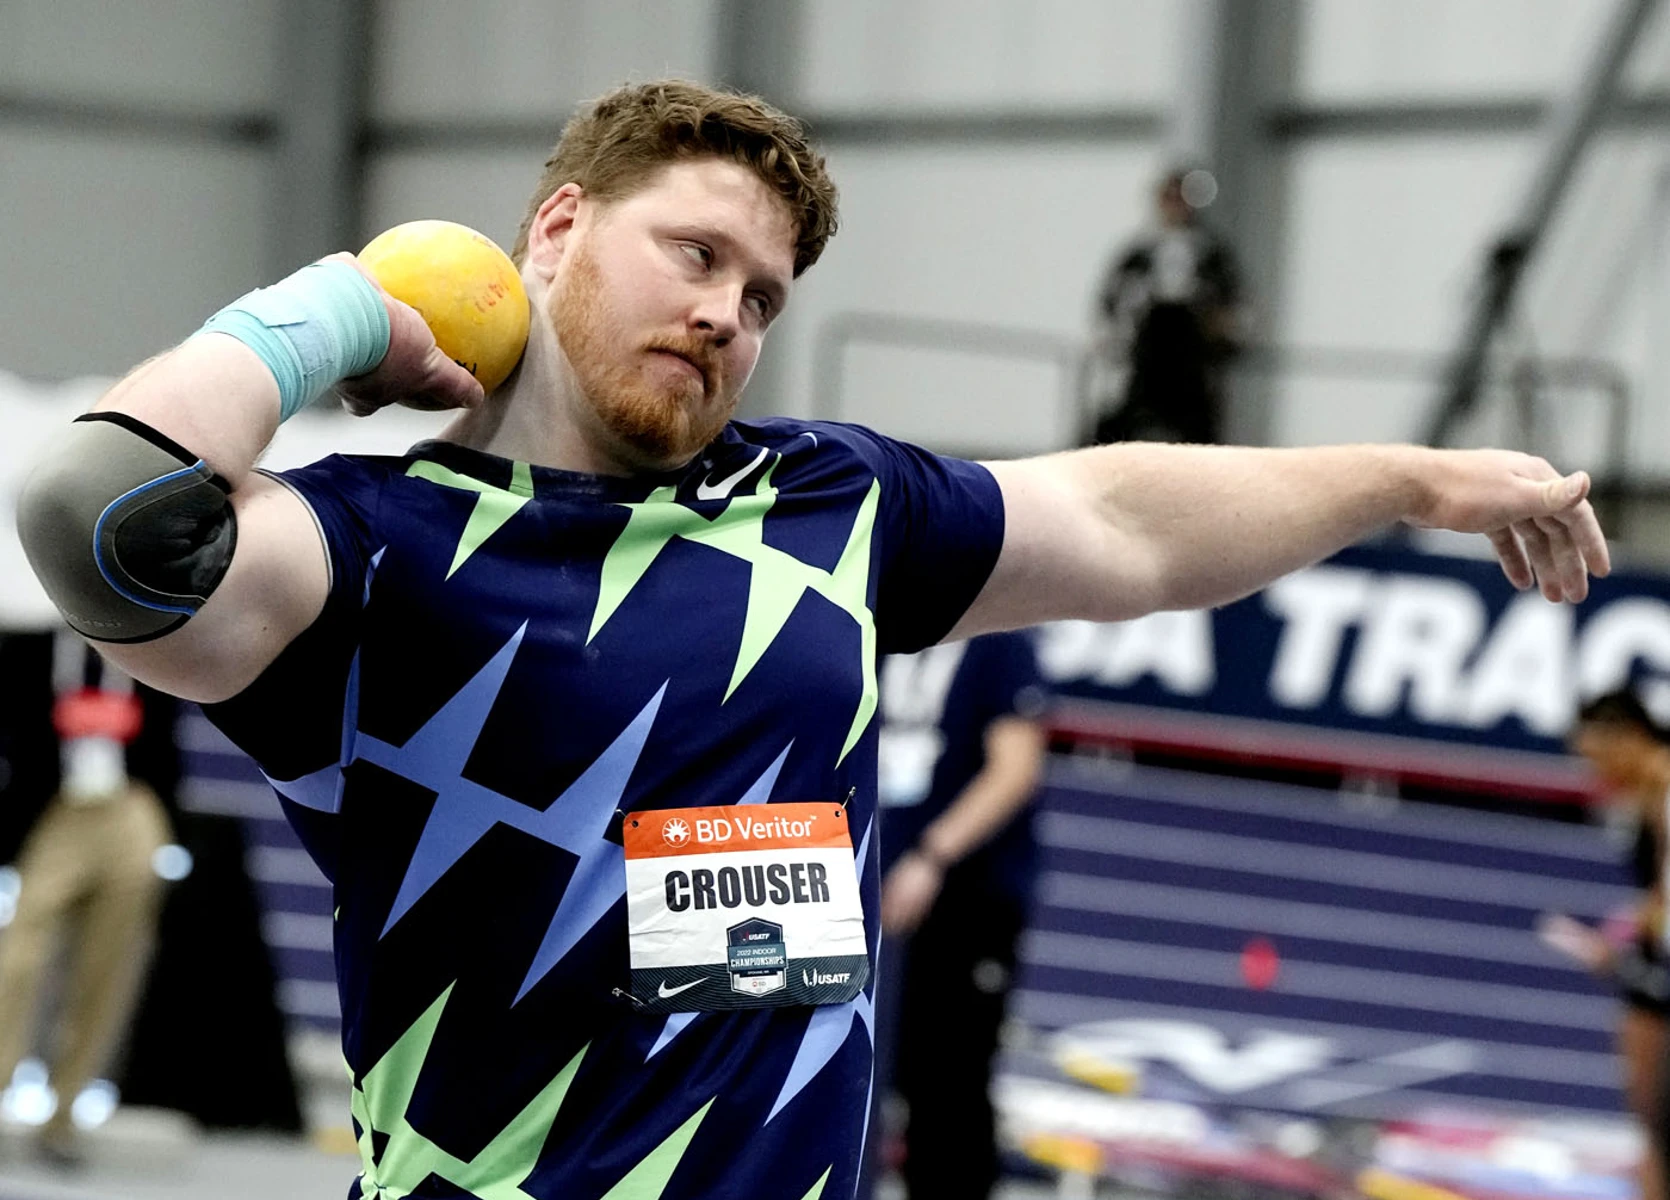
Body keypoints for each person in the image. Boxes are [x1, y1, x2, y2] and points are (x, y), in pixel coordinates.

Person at [14, 78, 1608, 1200]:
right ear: (553, 231)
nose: (726, 312)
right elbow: (99, 511)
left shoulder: (827, 505)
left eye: (763, 294)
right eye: (693, 254)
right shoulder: (373, 549)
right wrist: (350, 309)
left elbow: (1124, 521)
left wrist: (1409, 477)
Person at [868, 631, 1046, 1199]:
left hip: (969, 897)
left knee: (950, 1083)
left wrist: (931, 854)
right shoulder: (872, 627)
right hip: (862, 888)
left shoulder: (1000, 643)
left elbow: (1015, 769)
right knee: (857, 1076)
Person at [0, 630, 175, 1165]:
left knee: (108, 966)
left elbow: (169, 743)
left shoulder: (153, 653)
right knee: (18, 959)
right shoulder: (31, 652)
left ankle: (65, 1113)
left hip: (129, 809)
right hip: (58, 812)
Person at [1538, 688, 1670, 1200]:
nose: (1594, 774)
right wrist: (1624, 932)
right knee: (1653, 1117)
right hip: (1655, 961)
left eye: (1597, 757)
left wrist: (1624, 947)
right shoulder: (1646, 793)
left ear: (1630, 738)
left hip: (1661, 970)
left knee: (1657, 1117)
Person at [1089, 167, 1243, 446]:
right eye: (1169, 198)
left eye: (1181, 199)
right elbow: (1112, 298)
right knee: (1122, 423)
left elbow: (1233, 304)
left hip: (1191, 355)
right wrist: (1114, 336)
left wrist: (1224, 334)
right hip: (1147, 351)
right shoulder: (1139, 251)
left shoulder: (1210, 253)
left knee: (1198, 427)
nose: (1175, 207)